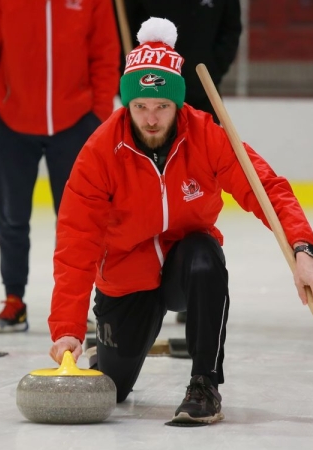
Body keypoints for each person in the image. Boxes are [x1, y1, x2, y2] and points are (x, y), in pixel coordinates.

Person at [47, 18, 313, 424]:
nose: (151, 119)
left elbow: (265, 187)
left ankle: (204, 384)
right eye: (140, 106)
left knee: (204, 255)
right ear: (127, 104)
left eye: (162, 106)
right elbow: (76, 242)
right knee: (114, 388)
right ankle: (108, 353)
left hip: (184, 266)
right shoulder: (100, 151)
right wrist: (67, 327)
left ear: (178, 103)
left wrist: (303, 248)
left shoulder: (206, 135)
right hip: (126, 277)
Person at [0, 0, 120, 333]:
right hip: (9, 124)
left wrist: (97, 115)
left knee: (80, 221)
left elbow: (105, 53)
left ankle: (83, 305)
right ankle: (14, 300)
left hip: (76, 122)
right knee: (10, 217)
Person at [124, 0, 242, 324]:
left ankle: (191, 280)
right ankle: (137, 285)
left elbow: (231, 29)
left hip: (201, 91)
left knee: (195, 189)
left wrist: (210, 68)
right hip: (150, 87)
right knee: (144, 189)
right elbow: (127, 17)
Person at [124, 0, 242, 124]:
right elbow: (125, 30)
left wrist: (213, 70)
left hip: (202, 91)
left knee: (207, 141)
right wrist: (133, 78)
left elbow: (230, 31)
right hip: (152, 94)